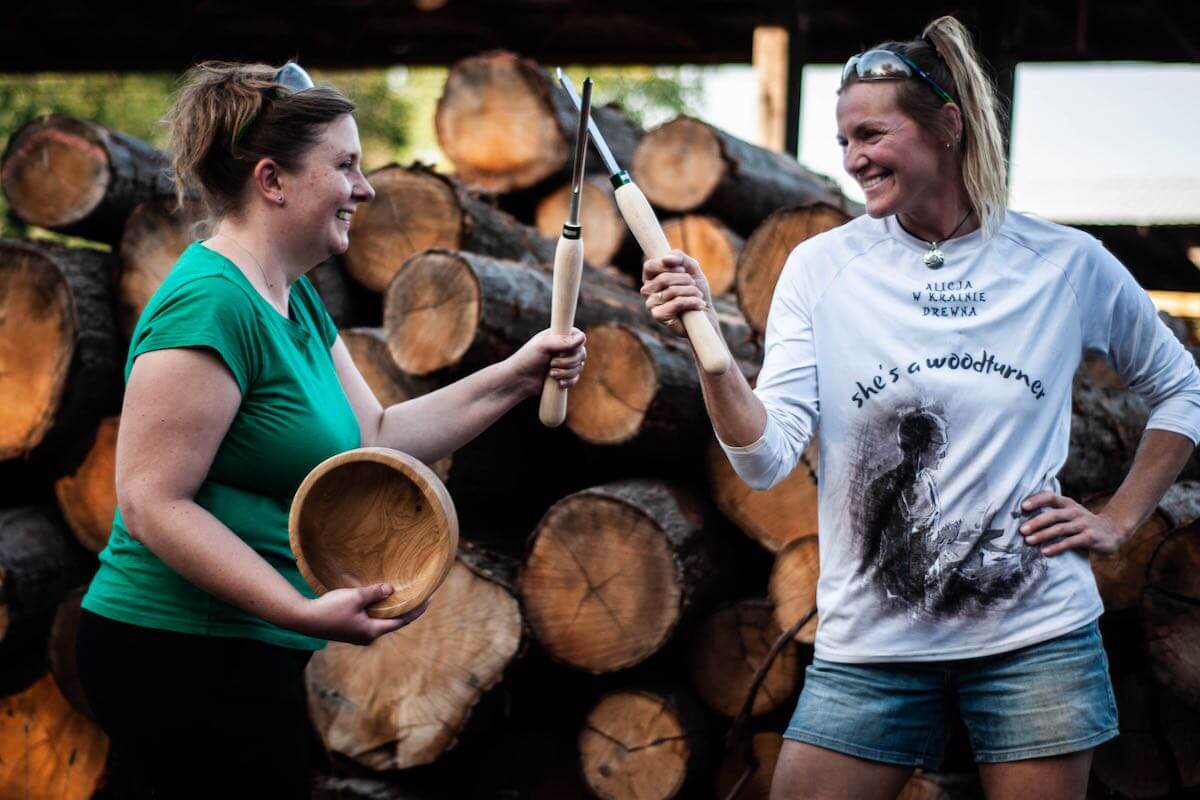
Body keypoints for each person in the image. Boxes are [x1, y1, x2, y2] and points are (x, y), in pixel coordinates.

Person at [640, 15, 1200, 800]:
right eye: (843, 142)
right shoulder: (821, 270)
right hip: (872, 648)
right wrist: (710, 353)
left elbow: (1183, 386)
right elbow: (765, 459)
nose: (853, 159)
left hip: (1033, 640)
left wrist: (1120, 518)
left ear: (948, 124)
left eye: (872, 133)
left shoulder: (1064, 264)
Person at [75, 61, 586, 798]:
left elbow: (374, 435)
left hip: (247, 650)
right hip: (175, 652)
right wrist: (297, 607)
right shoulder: (211, 305)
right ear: (272, 181)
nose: (367, 187)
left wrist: (520, 373)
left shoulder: (293, 298)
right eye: (345, 166)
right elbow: (153, 502)